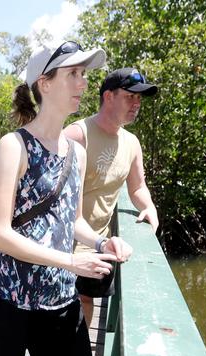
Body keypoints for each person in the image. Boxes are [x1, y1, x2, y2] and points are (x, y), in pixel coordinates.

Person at [0, 41, 133, 356]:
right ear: (44, 84)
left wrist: (102, 241)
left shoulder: (77, 152)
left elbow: (72, 220)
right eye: (73, 73)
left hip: (61, 299)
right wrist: (70, 262)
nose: (84, 82)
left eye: (84, 73)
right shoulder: (13, 145)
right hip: (8, 299)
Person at [63, 67, 160, 328]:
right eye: (130, 97)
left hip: (101, 243)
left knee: (85, 301)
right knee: (57, 308)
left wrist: (149, 207)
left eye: (140, 99)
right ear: (108, 97)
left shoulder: (132, 143)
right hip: (64, 245)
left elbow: (137, 188)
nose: (137, 104)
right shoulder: (77, 134)